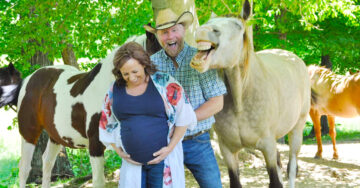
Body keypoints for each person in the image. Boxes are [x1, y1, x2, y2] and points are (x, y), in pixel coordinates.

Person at [144, 8, 227, 188]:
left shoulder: (202, 58)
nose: (170, 36)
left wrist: (182, 123)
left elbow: (217, 102)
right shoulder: (151, 65)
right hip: (162, 142)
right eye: (164, 32)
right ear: (157, 36)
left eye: (175, 30)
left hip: (197, 142)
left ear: (184, 30)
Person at [98, 42, 197, 188]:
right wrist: (118, 150)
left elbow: (184, 117)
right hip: (132, 163)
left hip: (162, 161)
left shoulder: (164, 83)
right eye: (125, 73)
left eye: (135, 71)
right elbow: (106, 122)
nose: (131, 78)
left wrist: (169, 148)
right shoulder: (114, 89)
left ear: (144, 64)